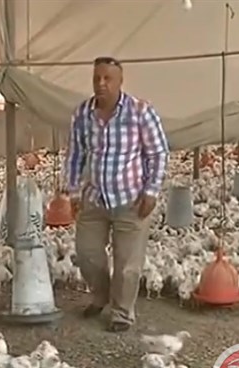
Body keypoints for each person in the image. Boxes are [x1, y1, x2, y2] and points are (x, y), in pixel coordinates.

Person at [62, 57, 170, 332]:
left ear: (120, 81)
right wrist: (74, 192)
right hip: (94, 199)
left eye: (108, 78)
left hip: (131, 199)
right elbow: (75, 155)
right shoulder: (82, 114)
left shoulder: (140, 112)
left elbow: (158, 153)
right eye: (97, 78)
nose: (101, 83)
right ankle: (101, 296)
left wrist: (151, 191)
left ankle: (122, 313)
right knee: (87, 254)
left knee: (127, 265)